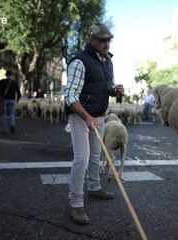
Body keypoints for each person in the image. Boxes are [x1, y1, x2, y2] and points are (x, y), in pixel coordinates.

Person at [64, 22, 124, 225]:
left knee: (96, 156)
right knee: (82, 158)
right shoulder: (79, 62)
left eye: (109, 40)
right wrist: (87, 117)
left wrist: (114, 90)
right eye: (102, 40)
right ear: (92, 40)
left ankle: (94, 187)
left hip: (98, 115)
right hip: (80, 115)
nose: (107, 44)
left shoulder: (108, 62)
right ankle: (76, 203)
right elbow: (70, 95)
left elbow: (105, 86)